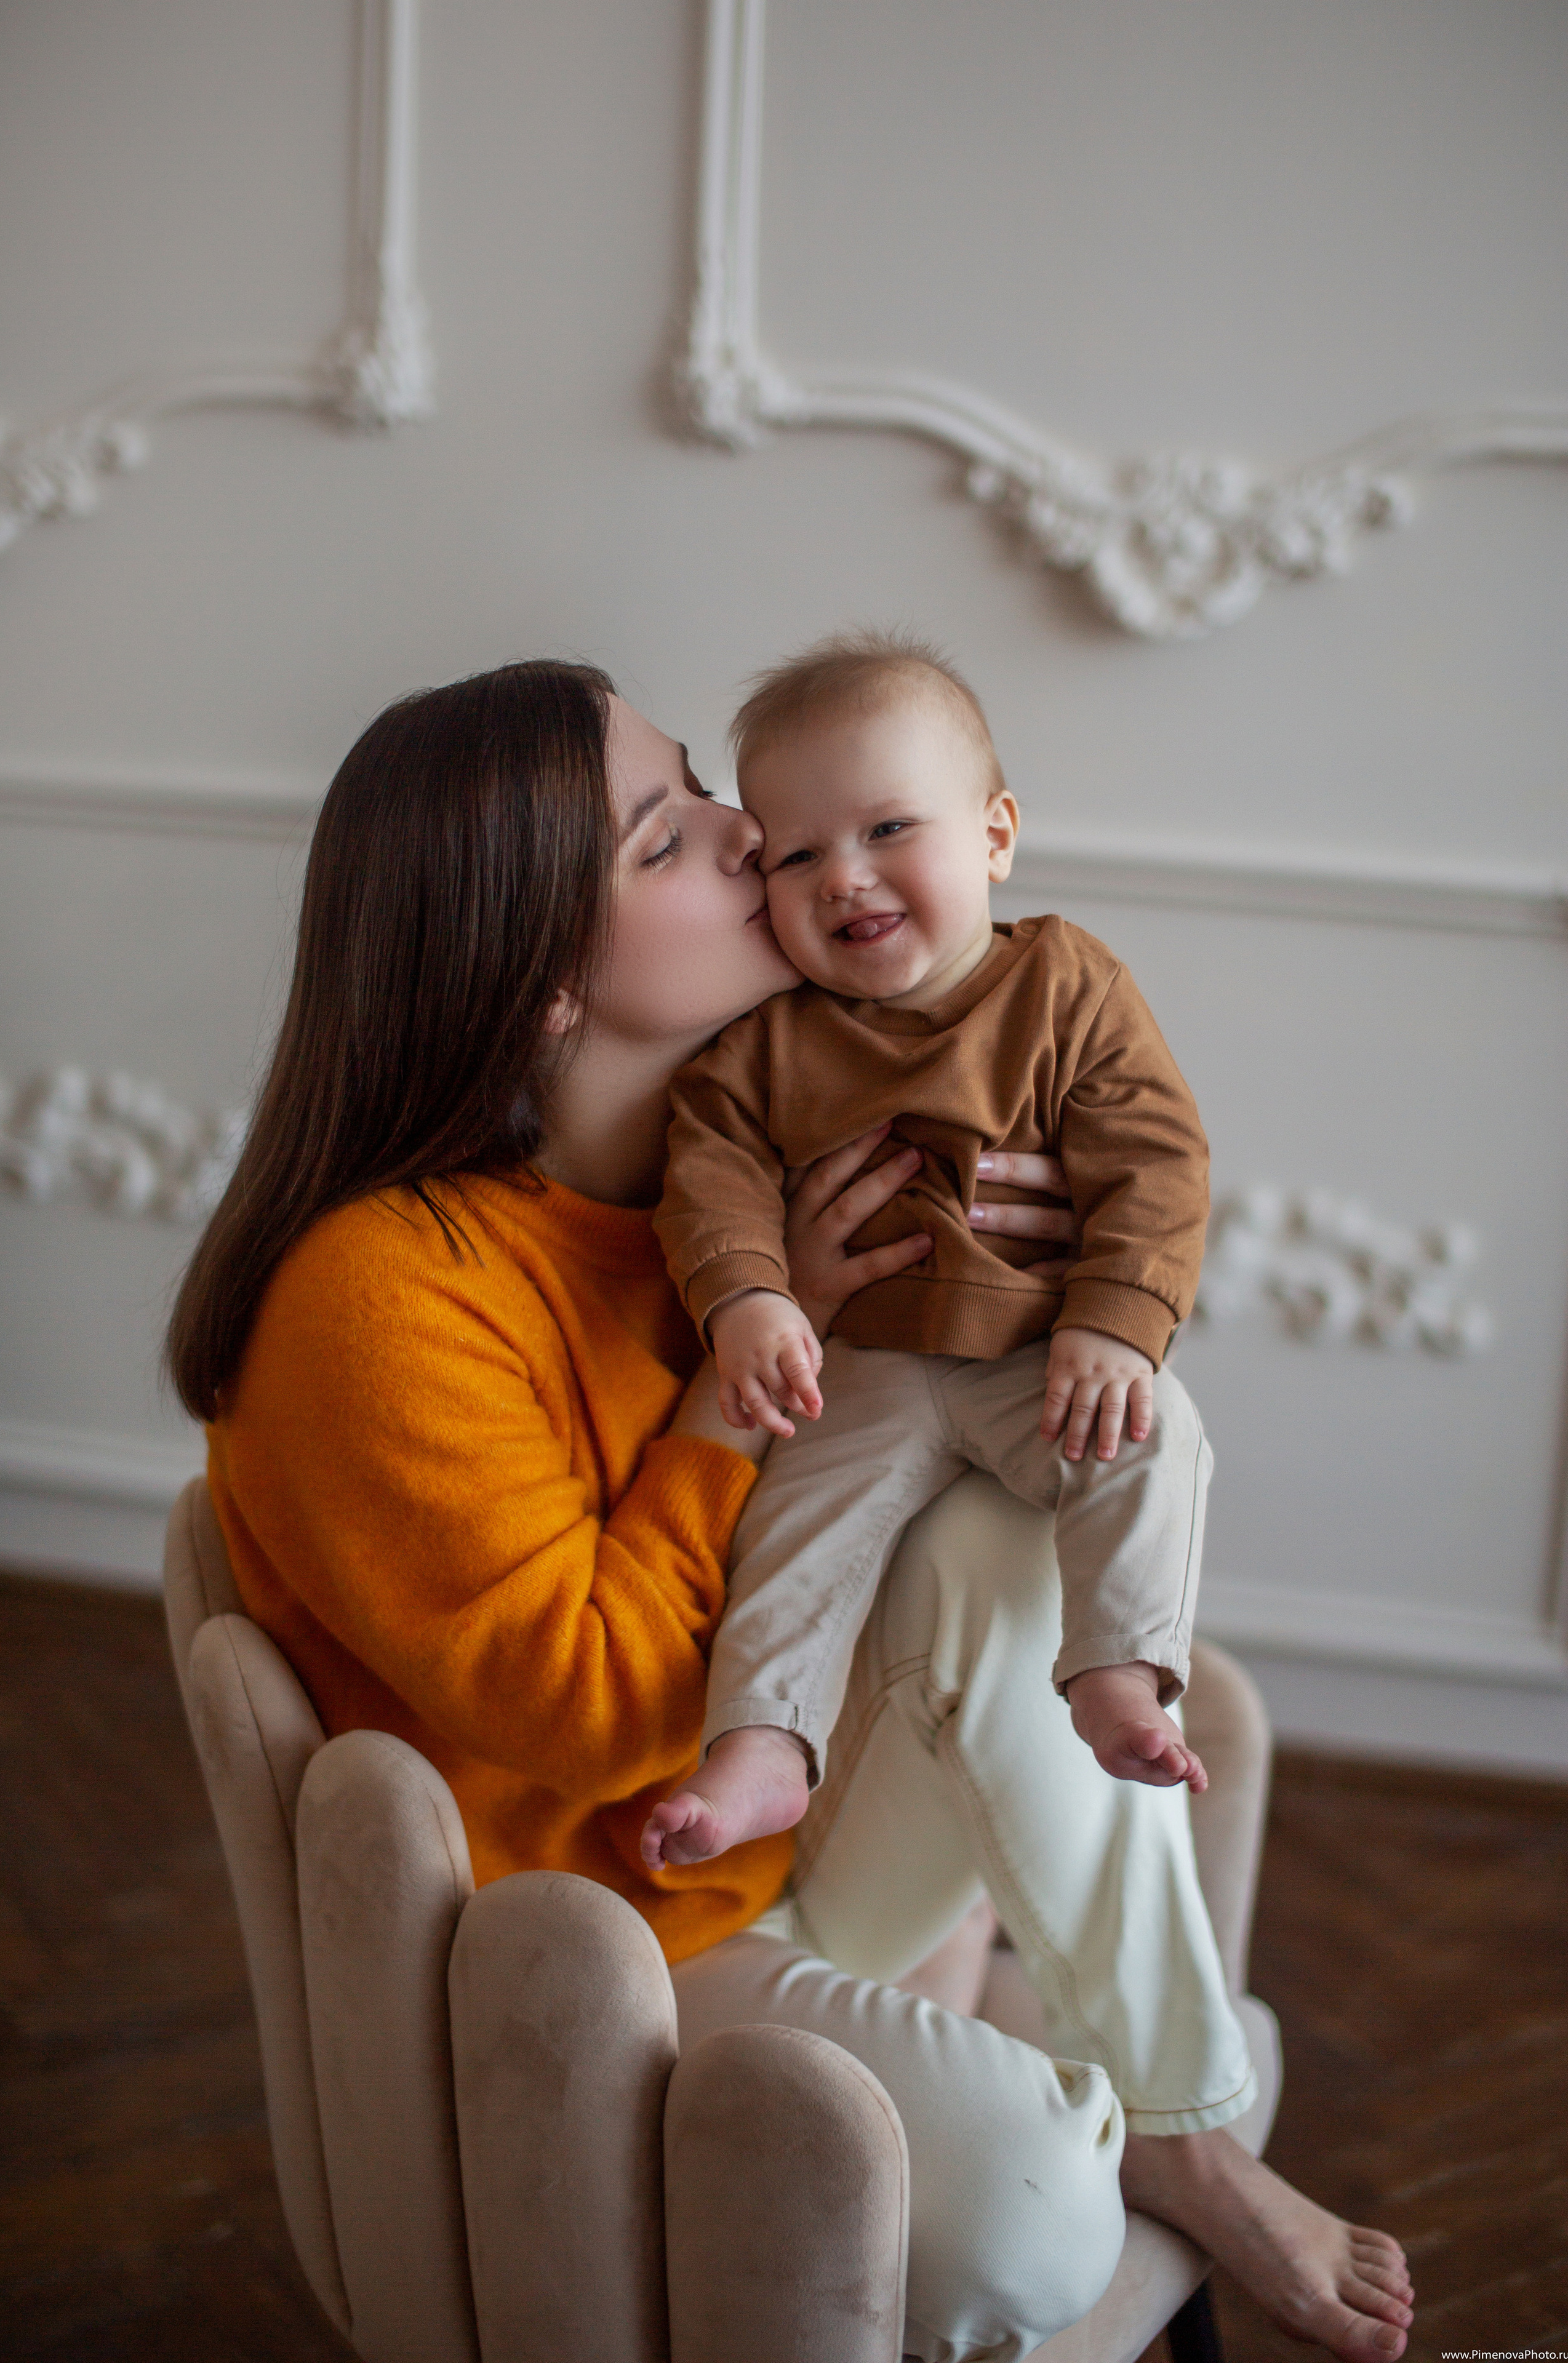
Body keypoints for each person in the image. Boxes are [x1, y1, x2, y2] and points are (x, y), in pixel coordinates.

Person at [167, 658, 1414, 2363]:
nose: (758, 836)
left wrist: (1062, 1293)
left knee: (1004, 1535)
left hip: (811, 1829)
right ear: (541, 986)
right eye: (674, 834)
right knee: (1043, 2219)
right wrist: (751, 1371)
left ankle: (1175, 2123)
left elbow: (1055, 1276)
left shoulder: (761, 1155)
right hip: (617, 1937)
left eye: (704, 785)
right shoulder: (381, 1300)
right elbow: (598, 1711)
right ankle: (1052, 2063)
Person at [646, 629, 1213, 1875]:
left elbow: (1154, 1161)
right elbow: (713, 1174)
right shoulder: (769, 1040)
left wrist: (1111, 1321)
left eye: (888, 831)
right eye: (797, 855)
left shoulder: (1064, 984)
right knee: (792, 1536)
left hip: (1032, 1354)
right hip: (862, 1364)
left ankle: (1117, 1669)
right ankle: (762, 1750)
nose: (844, 877)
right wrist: (746, 1296)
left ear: (995, 835)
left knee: (1153, 1427)